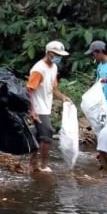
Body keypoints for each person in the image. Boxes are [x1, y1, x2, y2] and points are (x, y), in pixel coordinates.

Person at [27, 40, 72, 173]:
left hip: (46, 107)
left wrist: (63, 97)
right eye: (57, 55)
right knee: (47, 135)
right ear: (49, 53)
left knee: (37, 134)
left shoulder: (53, 67)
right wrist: (32, 110)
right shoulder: (38, 69)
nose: (59, 58)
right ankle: (43, 165)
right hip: (38, 108)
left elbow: (53, 88)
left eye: (60, 56)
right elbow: (29, 90)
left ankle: (32, 163)